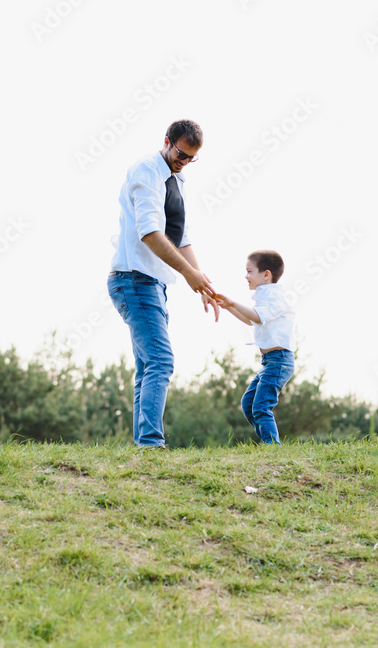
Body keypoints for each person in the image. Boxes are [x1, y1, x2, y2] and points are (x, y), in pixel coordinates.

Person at [107, 119, 219, 449]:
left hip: (154, 282)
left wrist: (202, 283)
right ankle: (151, 445)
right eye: (181, 154)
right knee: (160, 360)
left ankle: (146, 446)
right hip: (134, 278)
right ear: (167, 141)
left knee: (148, 366)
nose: (184, 162)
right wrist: (188, 273)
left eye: (191, 159)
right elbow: (150, 233)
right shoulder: (147, 172)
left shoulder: (176, 179)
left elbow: (180, 238)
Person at [214, 251, 296, 444]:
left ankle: (272, 447)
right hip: (270, 362)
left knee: (260, 406)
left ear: (266, 274)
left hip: (279, 360)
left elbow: (257, 316)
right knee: (249, 403)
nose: (246, 276)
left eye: (249, 271)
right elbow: (251, 320)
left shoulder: (275, 298)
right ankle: (268, 443)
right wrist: (229, 307)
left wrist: (233, 302)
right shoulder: (264, 298)